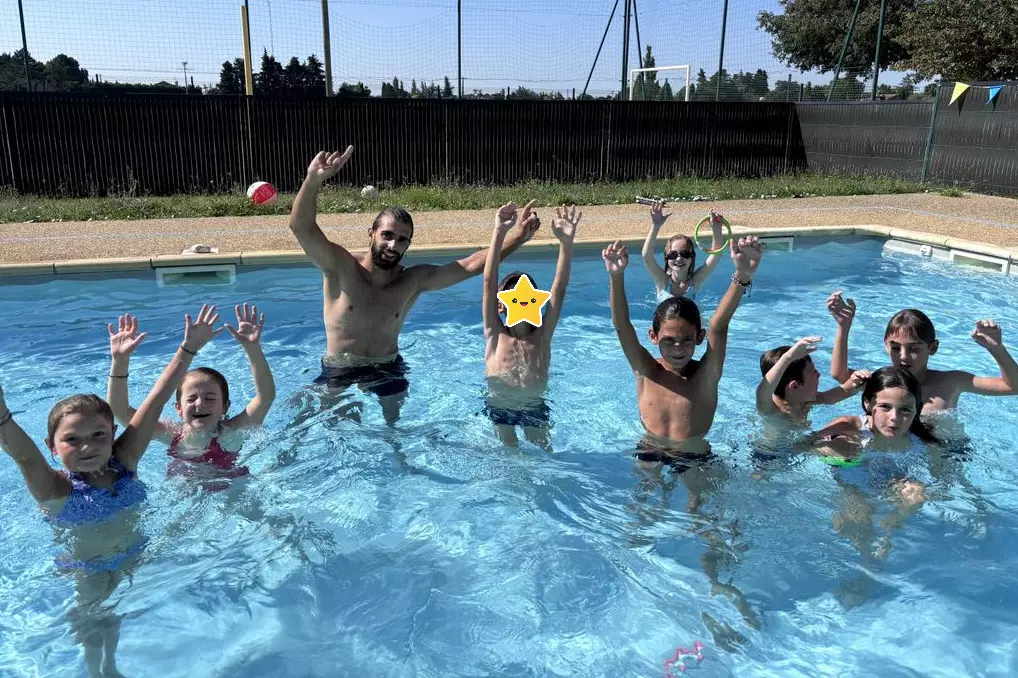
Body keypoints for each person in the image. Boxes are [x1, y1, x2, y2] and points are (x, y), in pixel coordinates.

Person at [0, 303, 219, 678]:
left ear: (113, 434)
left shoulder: (126, 461)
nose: (88, 447)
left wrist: (188, 350)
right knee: (93, 616)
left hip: (136, 553)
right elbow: (22, 455)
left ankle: (111, 667)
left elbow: (157, 399)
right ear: (53, 447)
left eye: (98, 435)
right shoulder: (55, 488)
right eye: (72, 439)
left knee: (114, 614)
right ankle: (93, 670)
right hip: (88, 567)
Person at [287, 146, 539, 424]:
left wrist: (519, 237)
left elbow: (470, 265)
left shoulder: (412, 281)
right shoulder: (341, 267)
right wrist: (312, 180)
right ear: (371, 233)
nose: (393, 245)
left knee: (395, 432)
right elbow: (302, 227)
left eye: (402, 239)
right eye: (387, 235)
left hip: (387, 367)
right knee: (305, 422)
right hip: (340, 368)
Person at [604, 234, 763, 460]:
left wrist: (743, 275)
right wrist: (616, 276)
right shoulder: (646, 370)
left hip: (694, 453)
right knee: (643, 494)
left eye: (687, 340)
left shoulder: (706, 375)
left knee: (697, 496)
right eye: (669, 340)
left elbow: (718, 326)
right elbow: (621, 325)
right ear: (653, 336)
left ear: (699, 337)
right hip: (649, 447)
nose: (678, 348)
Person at [106, 303, 275, 492]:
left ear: (225, 407)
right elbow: (119, 410)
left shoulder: (230, 432)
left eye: (210, 398)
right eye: (191, 399)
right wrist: (120, 361)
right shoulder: (170, 434)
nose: (200, 403)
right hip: (184, 491)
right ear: (178, 408)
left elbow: (265, 398)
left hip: (231, 488)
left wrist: (253, 349)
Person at [481, 202, 581, 448]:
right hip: (500, 407)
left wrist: (566, 244)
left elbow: (560, 288)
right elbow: (488, 280)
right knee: (510, 457)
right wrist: (499, 231)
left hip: (535, 408)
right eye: (513, 295)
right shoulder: (494, 333)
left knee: (545, 455)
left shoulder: (543, 335)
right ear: (500, 305)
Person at [827, 292, 1018, 415]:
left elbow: (1013, 387)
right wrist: (843, 327)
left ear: (932, 348)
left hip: (944, 455)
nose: (903, 356)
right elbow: (840, 375)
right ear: (885, 346)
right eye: (895, 348)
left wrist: (996, 348)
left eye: (914, 349)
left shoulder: (951, 382)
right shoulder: (880, 380)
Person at [756, 336, 870, 425]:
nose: (819, 374)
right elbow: (763, 391)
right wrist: (787, 358)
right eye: (814, 372)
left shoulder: (804, 401)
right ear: (795, 386)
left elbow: (835, 395)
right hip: (767, 454)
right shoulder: (771, 409)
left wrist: (855, 382)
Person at [641, 202, 727, 299]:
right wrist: (655, 226)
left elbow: (716, 255)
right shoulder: (662, 281)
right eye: (673, 254)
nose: (678, 258)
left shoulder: (695, 282)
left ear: (692, 258)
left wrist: (716, 228)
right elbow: (646, 256)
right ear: (666, 257)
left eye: (684, 254)